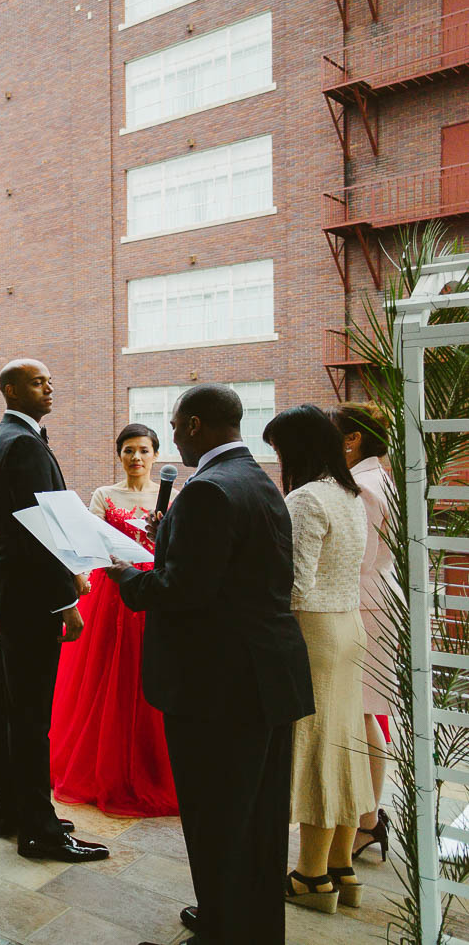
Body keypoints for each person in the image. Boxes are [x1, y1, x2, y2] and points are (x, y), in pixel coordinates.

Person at [109, 384, 313, 945]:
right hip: (267, 672)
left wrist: (126, 576)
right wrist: (170, 543)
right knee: (258, 821)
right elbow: (235, 570)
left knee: (216, 815)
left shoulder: (207, 491)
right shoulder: (256, 479)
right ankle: (246, 921)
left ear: (195, 424)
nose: (171, 437)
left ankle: (222, 928)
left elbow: (185, 591)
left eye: (174, 427)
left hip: (219, 683)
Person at [0, 359, 106, 862]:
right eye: (38, 382)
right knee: (32, 713)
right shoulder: (24, 443)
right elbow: (44, 529)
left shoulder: (6, 436)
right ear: (11, 389)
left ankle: (10, 807)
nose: (50, 388)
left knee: (12, 706)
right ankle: (39, 829)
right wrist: (67, 601)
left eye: (51, 380)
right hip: (31, 592)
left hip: (11, 587)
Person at [264, 405, 370, 914]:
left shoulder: (305, 499)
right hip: (350, 626)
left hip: (315, 633)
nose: (279, 460)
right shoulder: (350, 493)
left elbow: (295, 585)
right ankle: (342, 867)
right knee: (346, 747)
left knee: (318, 751)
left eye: (280, 450)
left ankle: (310, 876)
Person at [48, 423, 179, 817]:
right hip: (112, 592)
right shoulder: (104, 495)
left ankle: (155, 766)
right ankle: (106, 764)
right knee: (108, 677)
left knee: (150, 675)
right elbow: (86, 542)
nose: (136, 458)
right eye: (128, 450)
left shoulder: (173, 496)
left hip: (155, 590)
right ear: (118, 455)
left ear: (156, 455)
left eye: (143, 450)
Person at [332, 400, 399, 859]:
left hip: (366, 605)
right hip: (377, 601)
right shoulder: (378, 478)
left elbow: (360, 557)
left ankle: (369, 820)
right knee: (364, 713)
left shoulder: (363, 486)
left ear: (352, 440)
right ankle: (367, 815)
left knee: (361, 714)